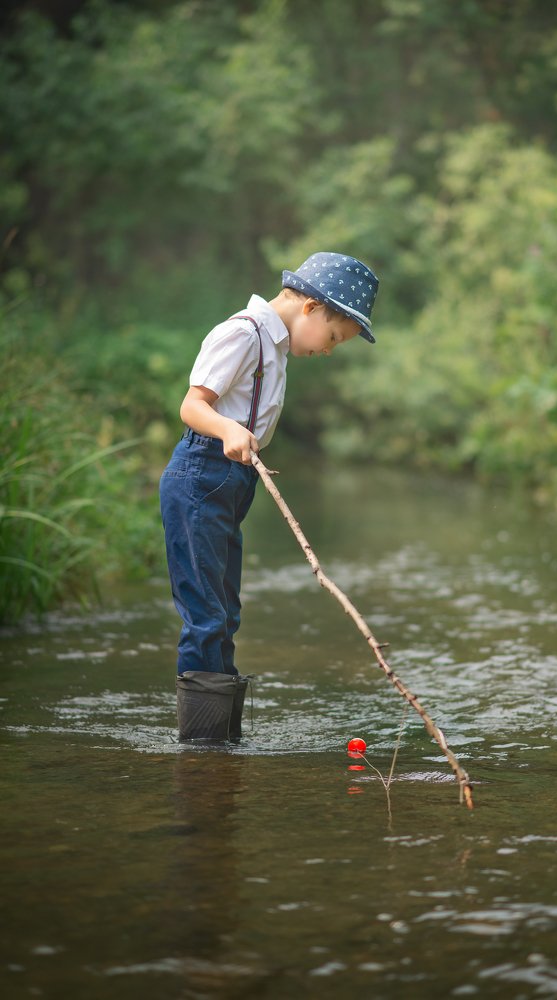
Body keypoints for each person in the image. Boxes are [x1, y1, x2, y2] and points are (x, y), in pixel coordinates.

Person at [159, 252, 380, 741]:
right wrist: (227, 431)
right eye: (334, 337)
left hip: (230, 485)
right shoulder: (243, 333)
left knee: (226, 613)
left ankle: (220, 739)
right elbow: (193, 406)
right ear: (311, 309)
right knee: (206, 614)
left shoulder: (275, 347)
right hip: (200, 476)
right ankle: (202, 747)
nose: (329, 350)